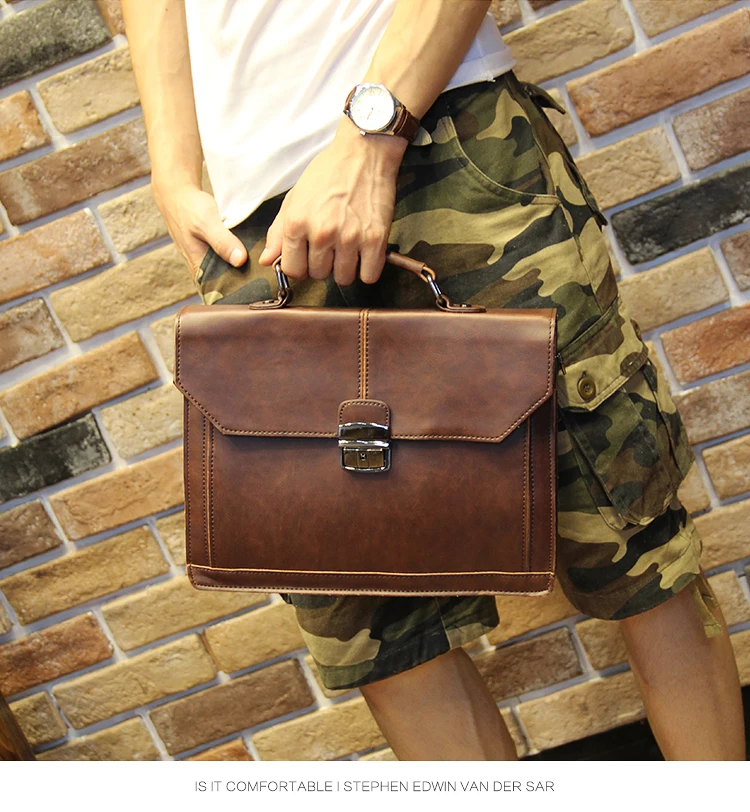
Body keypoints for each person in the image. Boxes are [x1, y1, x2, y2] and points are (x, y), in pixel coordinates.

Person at [121, 1, 745, 761]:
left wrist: (370, 138)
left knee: (628, 543)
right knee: (378, 630)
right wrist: (171, 169)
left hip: (441, 127)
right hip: (253, 225)